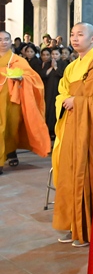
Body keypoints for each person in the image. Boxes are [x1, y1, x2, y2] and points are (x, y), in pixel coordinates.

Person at [52, 23, 93, 247]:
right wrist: (67, 101)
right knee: (69, 176)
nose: (75, 38)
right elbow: (61, 93)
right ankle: (73, 224)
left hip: (90, 133)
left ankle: (87, 229)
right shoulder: (71, 67)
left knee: (87, 178)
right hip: (72, 128)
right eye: (72, 34)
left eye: (80, 34)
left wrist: (77, 102)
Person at [0, 31, 50, 174]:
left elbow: (34, 79)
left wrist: (22, 78)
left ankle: (10, 150)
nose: (3, 42)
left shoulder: (18, 61)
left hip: (12, 101)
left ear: (11, 42)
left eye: (6, 39)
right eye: (0, 39)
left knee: (10, 128)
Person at [42, 47, 68, 138]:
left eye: (56, 54)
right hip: (49, 90)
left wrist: (56, 67)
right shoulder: (47, 63)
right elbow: (43, 75)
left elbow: (63, 75)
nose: (54, 56)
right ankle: (48, 130)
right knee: (48, 108)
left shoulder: (64, 63)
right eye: (52, 54)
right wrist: (51, 67)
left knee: (56, 109)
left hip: (58, 90)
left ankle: (56, 130)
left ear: (60, 55)